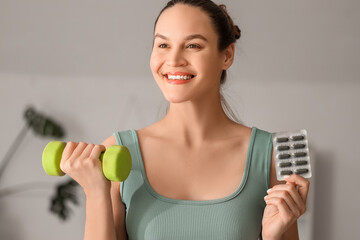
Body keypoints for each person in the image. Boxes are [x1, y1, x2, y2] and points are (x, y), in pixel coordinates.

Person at [59, 0, 310, 239]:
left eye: (193, 45)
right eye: (163, 45)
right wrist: (96, 192)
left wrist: (271, 237)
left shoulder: (270, 157)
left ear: (227, 56)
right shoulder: (117, 152)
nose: (174, 60)